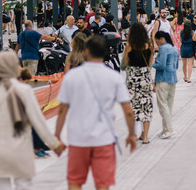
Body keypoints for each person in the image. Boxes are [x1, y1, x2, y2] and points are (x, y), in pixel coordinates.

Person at [55, 35, 137, 190]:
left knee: (75, 181)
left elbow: (62, 110)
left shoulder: (72, 76)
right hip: (104, 139)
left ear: (87, 51)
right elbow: (128, 111)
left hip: (78, 139)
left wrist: (57, 136)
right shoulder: (114, 77)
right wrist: (132, 134)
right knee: (103, 184)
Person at [0, 52, 64, 189]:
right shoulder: (24, 91)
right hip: (20, 148)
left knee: (1, 186)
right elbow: (37, 120)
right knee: (23, 185)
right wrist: (54, 144)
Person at [123, 23, 154, 144]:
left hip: (132, 78)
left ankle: (133, 134)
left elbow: (126, 62)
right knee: (146, 106)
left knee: (133, 106)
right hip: (145, 77)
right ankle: (145, 136)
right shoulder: (149, 46)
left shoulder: (129, 46)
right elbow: (150, 63)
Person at [153, 31, 179, 139]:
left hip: (163, 79)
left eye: (156, 40)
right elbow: (176, 65)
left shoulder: (163, 49)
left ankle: (169, 129)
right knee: (168, 105)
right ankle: (165, 129)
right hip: (172, 78)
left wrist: (152, 63)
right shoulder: (174, 48)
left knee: (162, 105)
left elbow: (161, 65)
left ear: (161, 39)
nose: (156, 43)